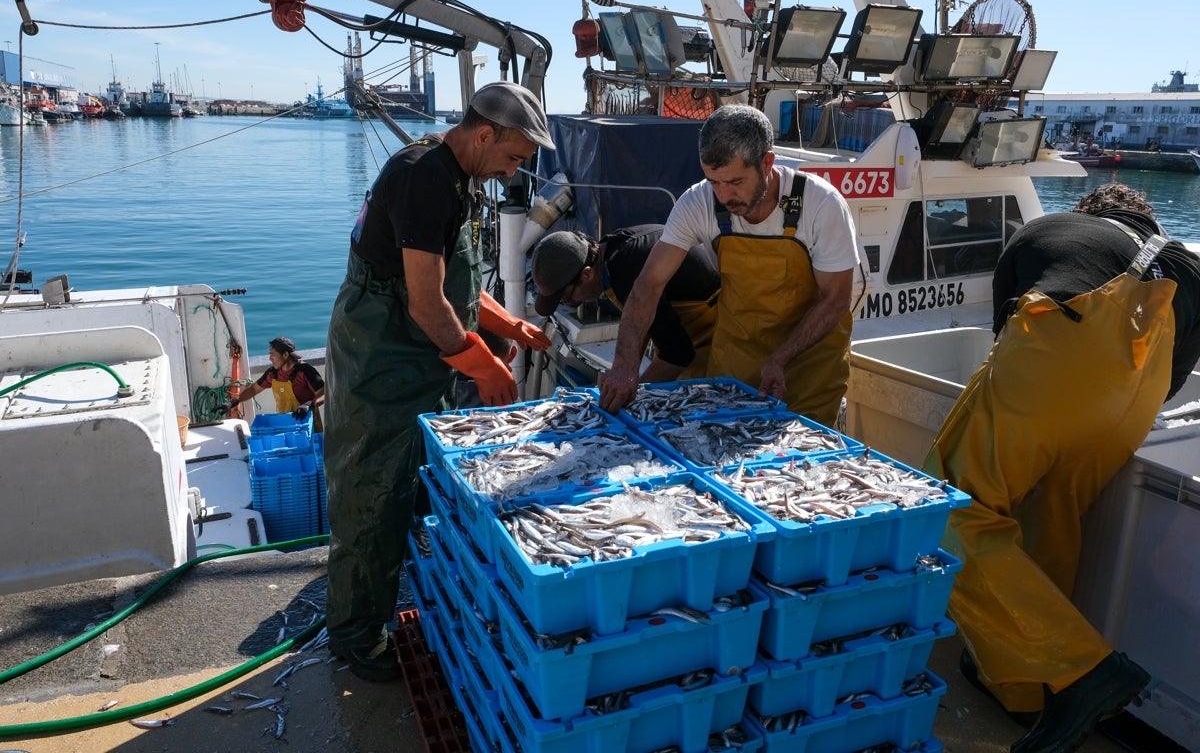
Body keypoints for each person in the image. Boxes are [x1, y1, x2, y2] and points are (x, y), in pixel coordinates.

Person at [923, 183, 1200, 753]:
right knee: (1056, 520)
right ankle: (1029, 694)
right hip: (1132, 402)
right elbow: (1171, 381)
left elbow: (1007, 335)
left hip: (1056, 354)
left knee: (947, 515)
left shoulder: (1051, 228)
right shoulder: (1188, 266)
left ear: (1091, 214)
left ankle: (1083, 671)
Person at [322, 82, 554, 681]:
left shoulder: (455, 176)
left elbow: (457, 286)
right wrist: (484, 365)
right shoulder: (425, 177)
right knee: (371, 492)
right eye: (513, 157)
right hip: (382, 353)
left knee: (412, 483)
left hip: (418, 355)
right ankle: (355, 637)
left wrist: (513, 328)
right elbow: (427, 305)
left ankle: (406, 588)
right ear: (484, 135)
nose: (513, 172)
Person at [598, 105, 860, 425]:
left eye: (735, 181)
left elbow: (835, 299)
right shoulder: (699, 201)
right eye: (714, 182)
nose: (724, 196)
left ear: (767, 163)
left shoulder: (820, 205)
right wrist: (625, 364)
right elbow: (649, 283)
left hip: (808, 378)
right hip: (734, 373)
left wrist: (780, 358)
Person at [531, 224, 721, 382]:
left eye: (568, 298)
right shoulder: (613, 248)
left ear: (587, 274)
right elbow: (642, 322)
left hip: (717, 327)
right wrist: (624, 371)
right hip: (689, 332)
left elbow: (678, 353)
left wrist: (634, 393)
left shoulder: (627, 275)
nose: (574, 303)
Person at [228, 336, 325, 431]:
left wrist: (309, 405)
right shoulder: (273, 373)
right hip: (285, 425)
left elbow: (323, 393)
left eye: (272, 355)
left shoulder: (306, 371)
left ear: (285, 355)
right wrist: (234, 402)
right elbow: (253, 389)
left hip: (307, 424)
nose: (270, 358)